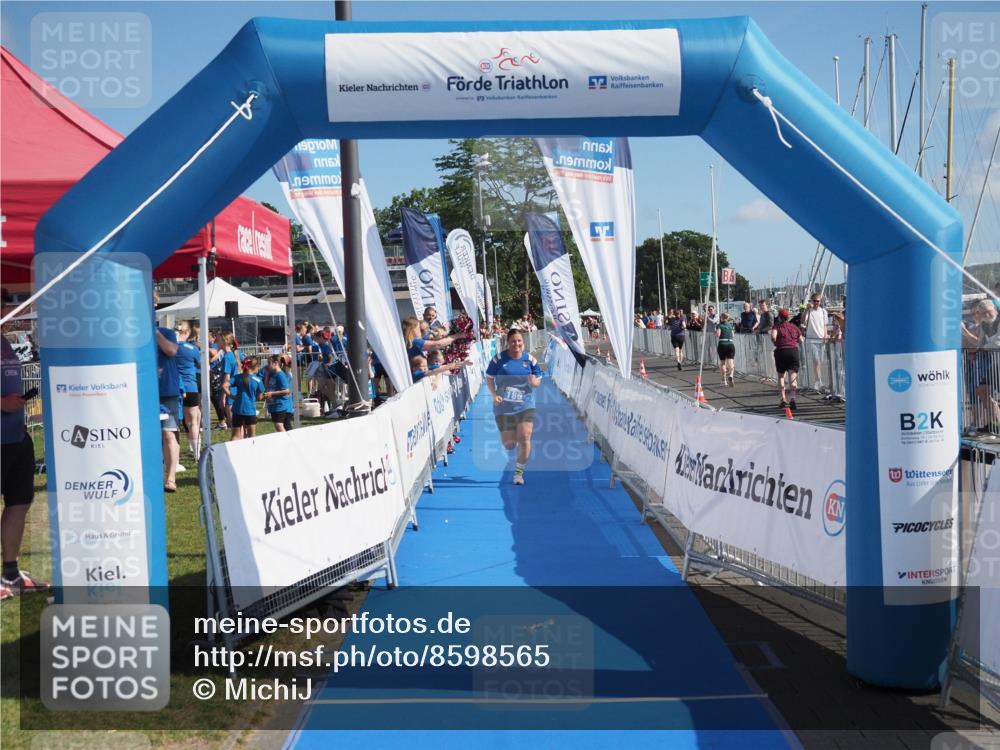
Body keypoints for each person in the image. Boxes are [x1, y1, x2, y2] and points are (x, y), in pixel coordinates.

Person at [1, 294, 47, 599]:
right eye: (5, 303)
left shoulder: (4, 342)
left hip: (16, 436)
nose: (8, 309)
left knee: (19, 503)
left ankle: (10, 573)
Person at [486, 329, 542, 486]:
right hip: (503, 406)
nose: (516, 344)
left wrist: (533, 383)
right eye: (513, 341)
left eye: (519, 341)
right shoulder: (499, 359)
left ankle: (518, 474)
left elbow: (538, 380)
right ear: (507, 342)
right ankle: (514, 439)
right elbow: (489, 378)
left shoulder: (530, 360)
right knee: (509, 444)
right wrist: (494, 395)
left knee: (525, 437)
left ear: (522, 342)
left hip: (526, 404)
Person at [963, 299, 1000, 435]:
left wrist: (980, 349)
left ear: (994, 310)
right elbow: (981, 341)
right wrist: (976, 350)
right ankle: (995, 423)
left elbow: (997, 342)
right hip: (995, 362)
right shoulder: (984, 325)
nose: (986, 314)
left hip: (996, 359)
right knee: (981, 390)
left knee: (985, 390)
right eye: (983, 312)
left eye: (988, 311)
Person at [156, 306, 181, 492]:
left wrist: (154, 332)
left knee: (168, 434)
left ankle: (170, 478)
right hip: (145, 392)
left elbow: (172, 351)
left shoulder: (167, 333)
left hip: (167, 392)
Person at [174, 321, 202, 459]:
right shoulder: (192, 349)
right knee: (194, 422)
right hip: (191, 387)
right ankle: (196, 452)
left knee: (176, 423)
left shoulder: (170, 347)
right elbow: (200, 364)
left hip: (175, 388)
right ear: (187, 333)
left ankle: (175, 455)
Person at [771, 308, 802, 410]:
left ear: (779, 317)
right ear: (788, 317)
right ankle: (793, 398)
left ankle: (783, 399)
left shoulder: (777, 327)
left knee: (781, 376)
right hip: (793, 351)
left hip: (781, 351)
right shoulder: (794, 327)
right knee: (793, 376)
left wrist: (775, 343)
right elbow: (801, 340)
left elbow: (773, 337)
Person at [226, 357, 264, 441]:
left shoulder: (237, 377)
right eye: (258, 366)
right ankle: (251, 453)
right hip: (250, 410)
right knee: (252, 436)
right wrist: (265, 396)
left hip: (237, 409)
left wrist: (231, 395)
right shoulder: (258, 380)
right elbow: (260, 397)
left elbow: (224, 386)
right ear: (255, 366)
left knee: (235, 436)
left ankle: (233, 453)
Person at [801, 293, 829, 389]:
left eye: (818, 301)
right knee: (816, 361)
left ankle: (819, 379)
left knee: (820, 361)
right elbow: (802, 321)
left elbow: (825, 325)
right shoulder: (809, 311)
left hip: (821, 339)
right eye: (814, 301)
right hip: (812, 340)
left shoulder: (823, 311)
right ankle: (818, 381)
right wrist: (806, 309)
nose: (816, 303)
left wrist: (825, 335)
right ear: (811, 301)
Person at [263, 355, 294, 432]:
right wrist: (267, 375)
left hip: (281, 404)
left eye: (269, 363)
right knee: (282, 425)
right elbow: (267, 387)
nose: (267, 365)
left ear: (275, 363)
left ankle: (289, 442)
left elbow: (287, 391)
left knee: (280, 425)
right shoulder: (272, 374)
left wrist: (272, 394)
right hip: (274, 404)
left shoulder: (281, 375)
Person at [716, 313, 736, 386]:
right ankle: (731, 375)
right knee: (731, 361)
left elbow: (718, 334)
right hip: (730, 344)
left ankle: (723, 380)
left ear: (721, 317)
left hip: (722, 344)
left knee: (722, 362)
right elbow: (733, 335)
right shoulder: (730, 325)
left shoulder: (719, 325)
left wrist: (715, 333)